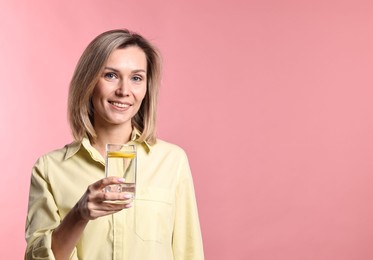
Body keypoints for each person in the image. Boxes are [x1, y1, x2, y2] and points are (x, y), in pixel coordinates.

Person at [25, 29, 204, 260]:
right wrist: (79, 214)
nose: (123, 91)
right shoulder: (50, 168)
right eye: (110, 75)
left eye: (136, 78)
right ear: (88, 81)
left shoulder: (172, 160)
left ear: (146, 88)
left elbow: (189, 252)